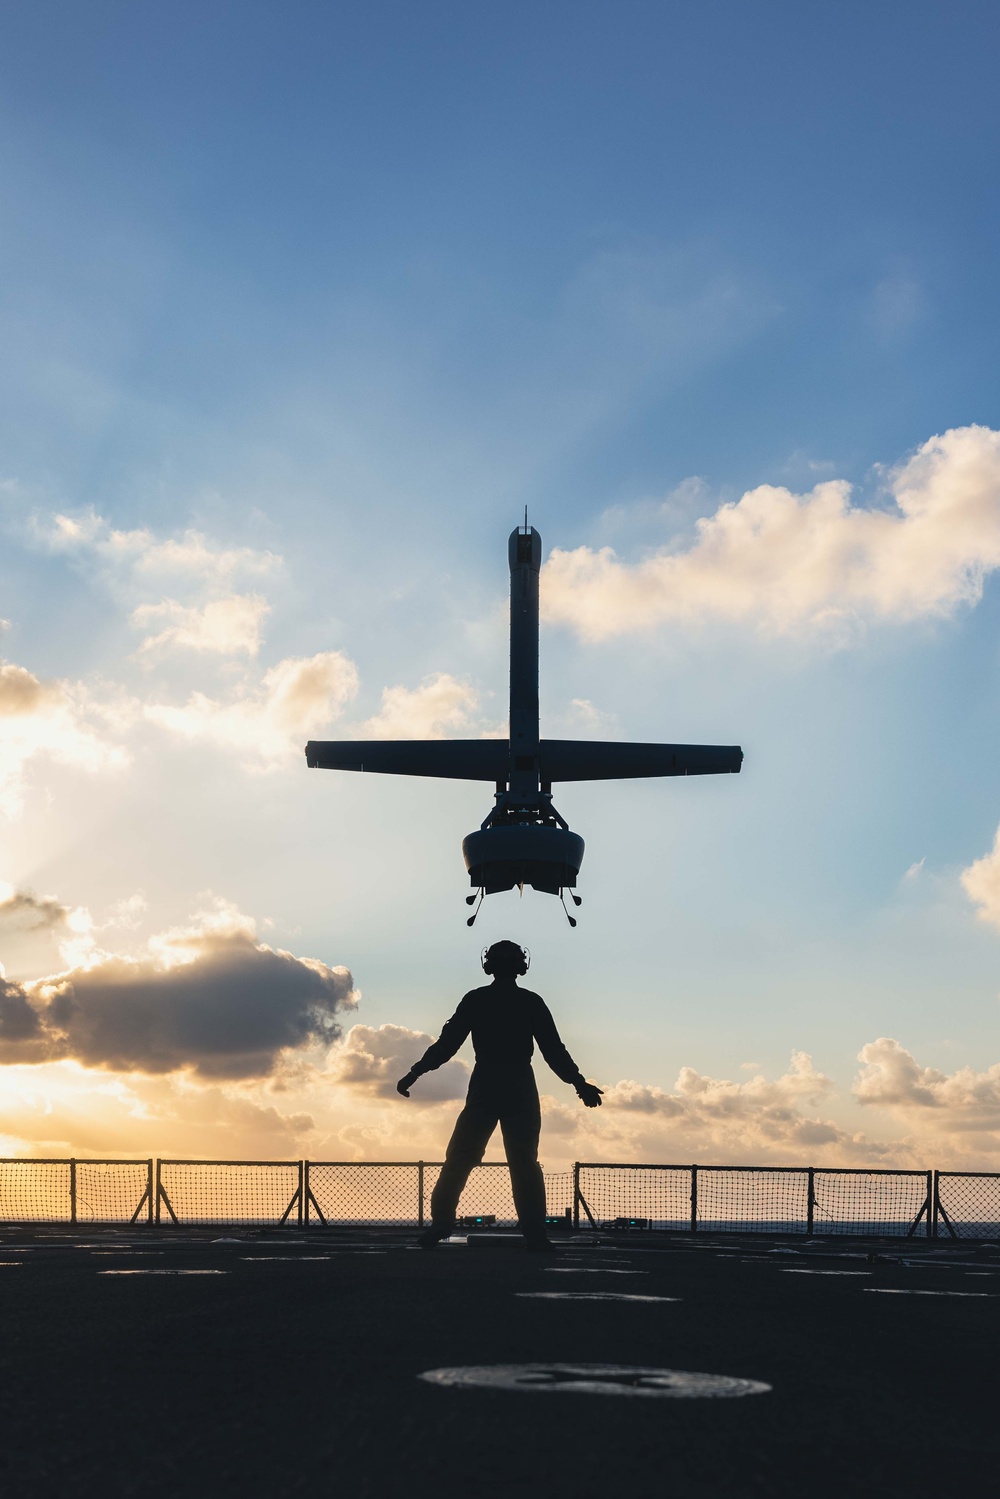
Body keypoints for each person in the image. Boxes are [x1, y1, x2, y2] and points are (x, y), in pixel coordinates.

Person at [396, 940, 603, 1252]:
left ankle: (441, 1224)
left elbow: (447, 1043)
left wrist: (416, 1071)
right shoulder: (531, 1002)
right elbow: (553, 1050)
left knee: (460, 1157)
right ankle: (535, 1234)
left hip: (486, 1082)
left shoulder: (476, 999)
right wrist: (578, 1083)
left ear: (488, 965)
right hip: (520, 1083)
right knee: (524, 1162)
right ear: (521, 966)